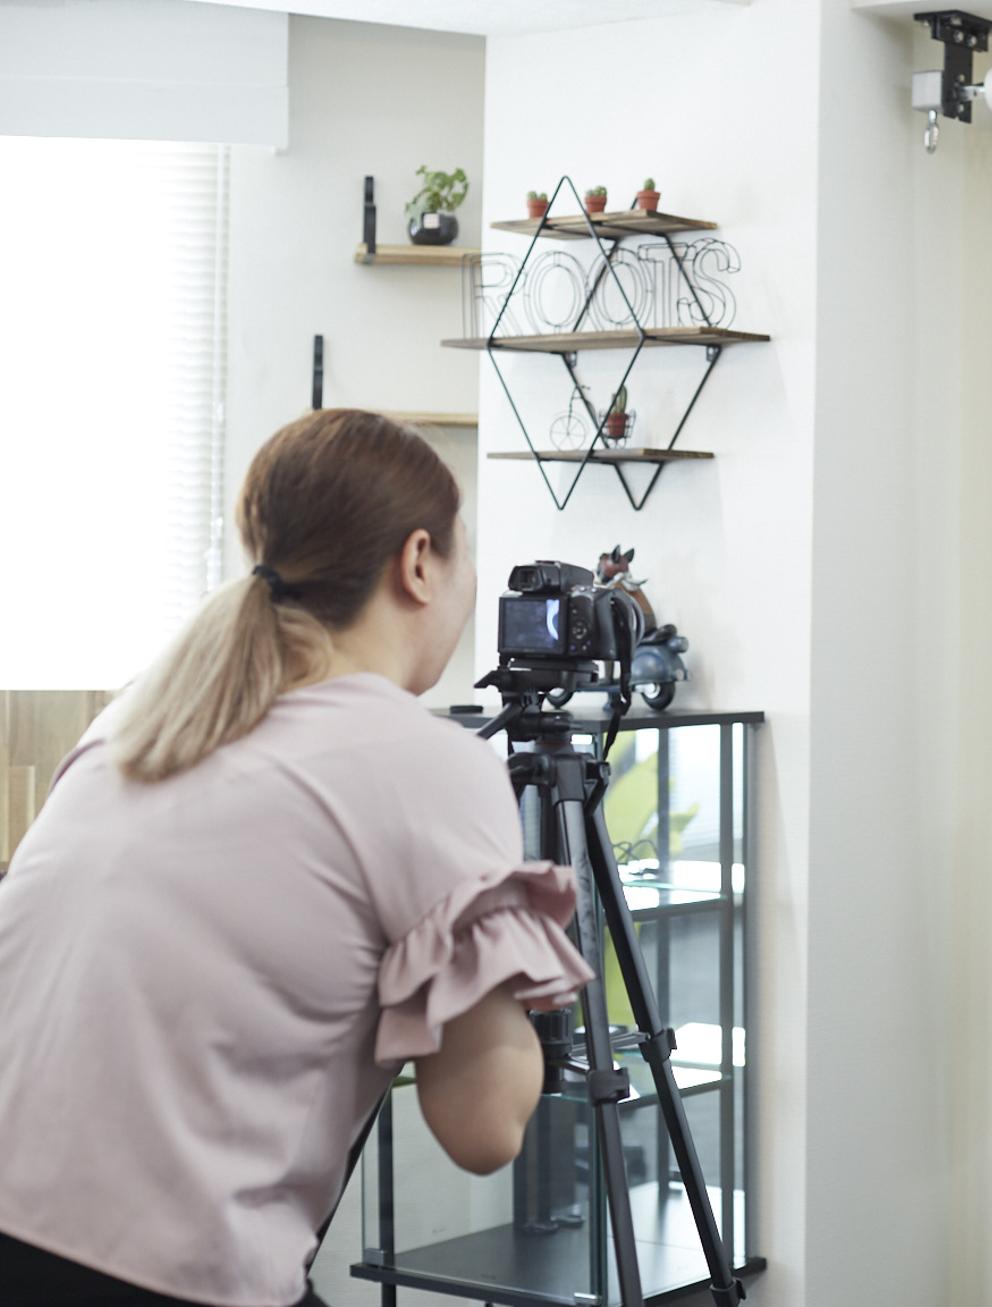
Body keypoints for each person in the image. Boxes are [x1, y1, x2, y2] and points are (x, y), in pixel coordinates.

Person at [0, 410, 595, 1306]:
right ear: (420, 560)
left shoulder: (142, 718)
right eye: (465, 550)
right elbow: (483, 1129)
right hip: (168, 1271)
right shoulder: (427, 762)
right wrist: (516, 1001)